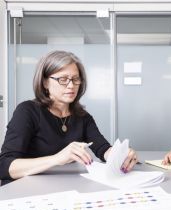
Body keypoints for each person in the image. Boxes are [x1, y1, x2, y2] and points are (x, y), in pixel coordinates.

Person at [0, 50, 137, 185]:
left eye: (75, 79)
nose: (71, 85)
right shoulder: (27, 111)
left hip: (61, 187)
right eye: (63, 79)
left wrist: (119, 155)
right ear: (45, 82)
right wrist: (57, 159)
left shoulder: (82, 116)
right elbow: (5, 166)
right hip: (23, 189)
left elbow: (103, 149)